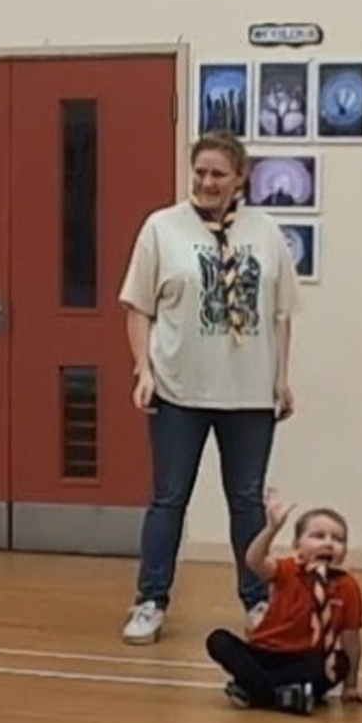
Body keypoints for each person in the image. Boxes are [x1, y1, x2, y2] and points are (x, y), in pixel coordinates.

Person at [118, 132, 301, 645]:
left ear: (240, 178)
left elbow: (281, 313)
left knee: (246, 500)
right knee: (168, 498)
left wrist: (281, 378)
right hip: (179, 390)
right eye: (200, 172)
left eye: (218, 173)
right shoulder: (162, 227)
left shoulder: (266, 231)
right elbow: (138, 306)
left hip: (249, 393)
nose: (207, 182)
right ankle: (151, 600)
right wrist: (143, 370)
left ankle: (257, 600)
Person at [206, 489, 362, 715]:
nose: (328, 543)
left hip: (306, 659)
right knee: (218, 640)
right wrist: (272, 528)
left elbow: (351, 638)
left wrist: (350, 686)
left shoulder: (347, 586)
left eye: (338, 539)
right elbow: (254, 561)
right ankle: (283, 696)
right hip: (264, 652)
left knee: (338, 663)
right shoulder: (287, 570)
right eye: (318, 536)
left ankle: (255, 690)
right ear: (297, 544)